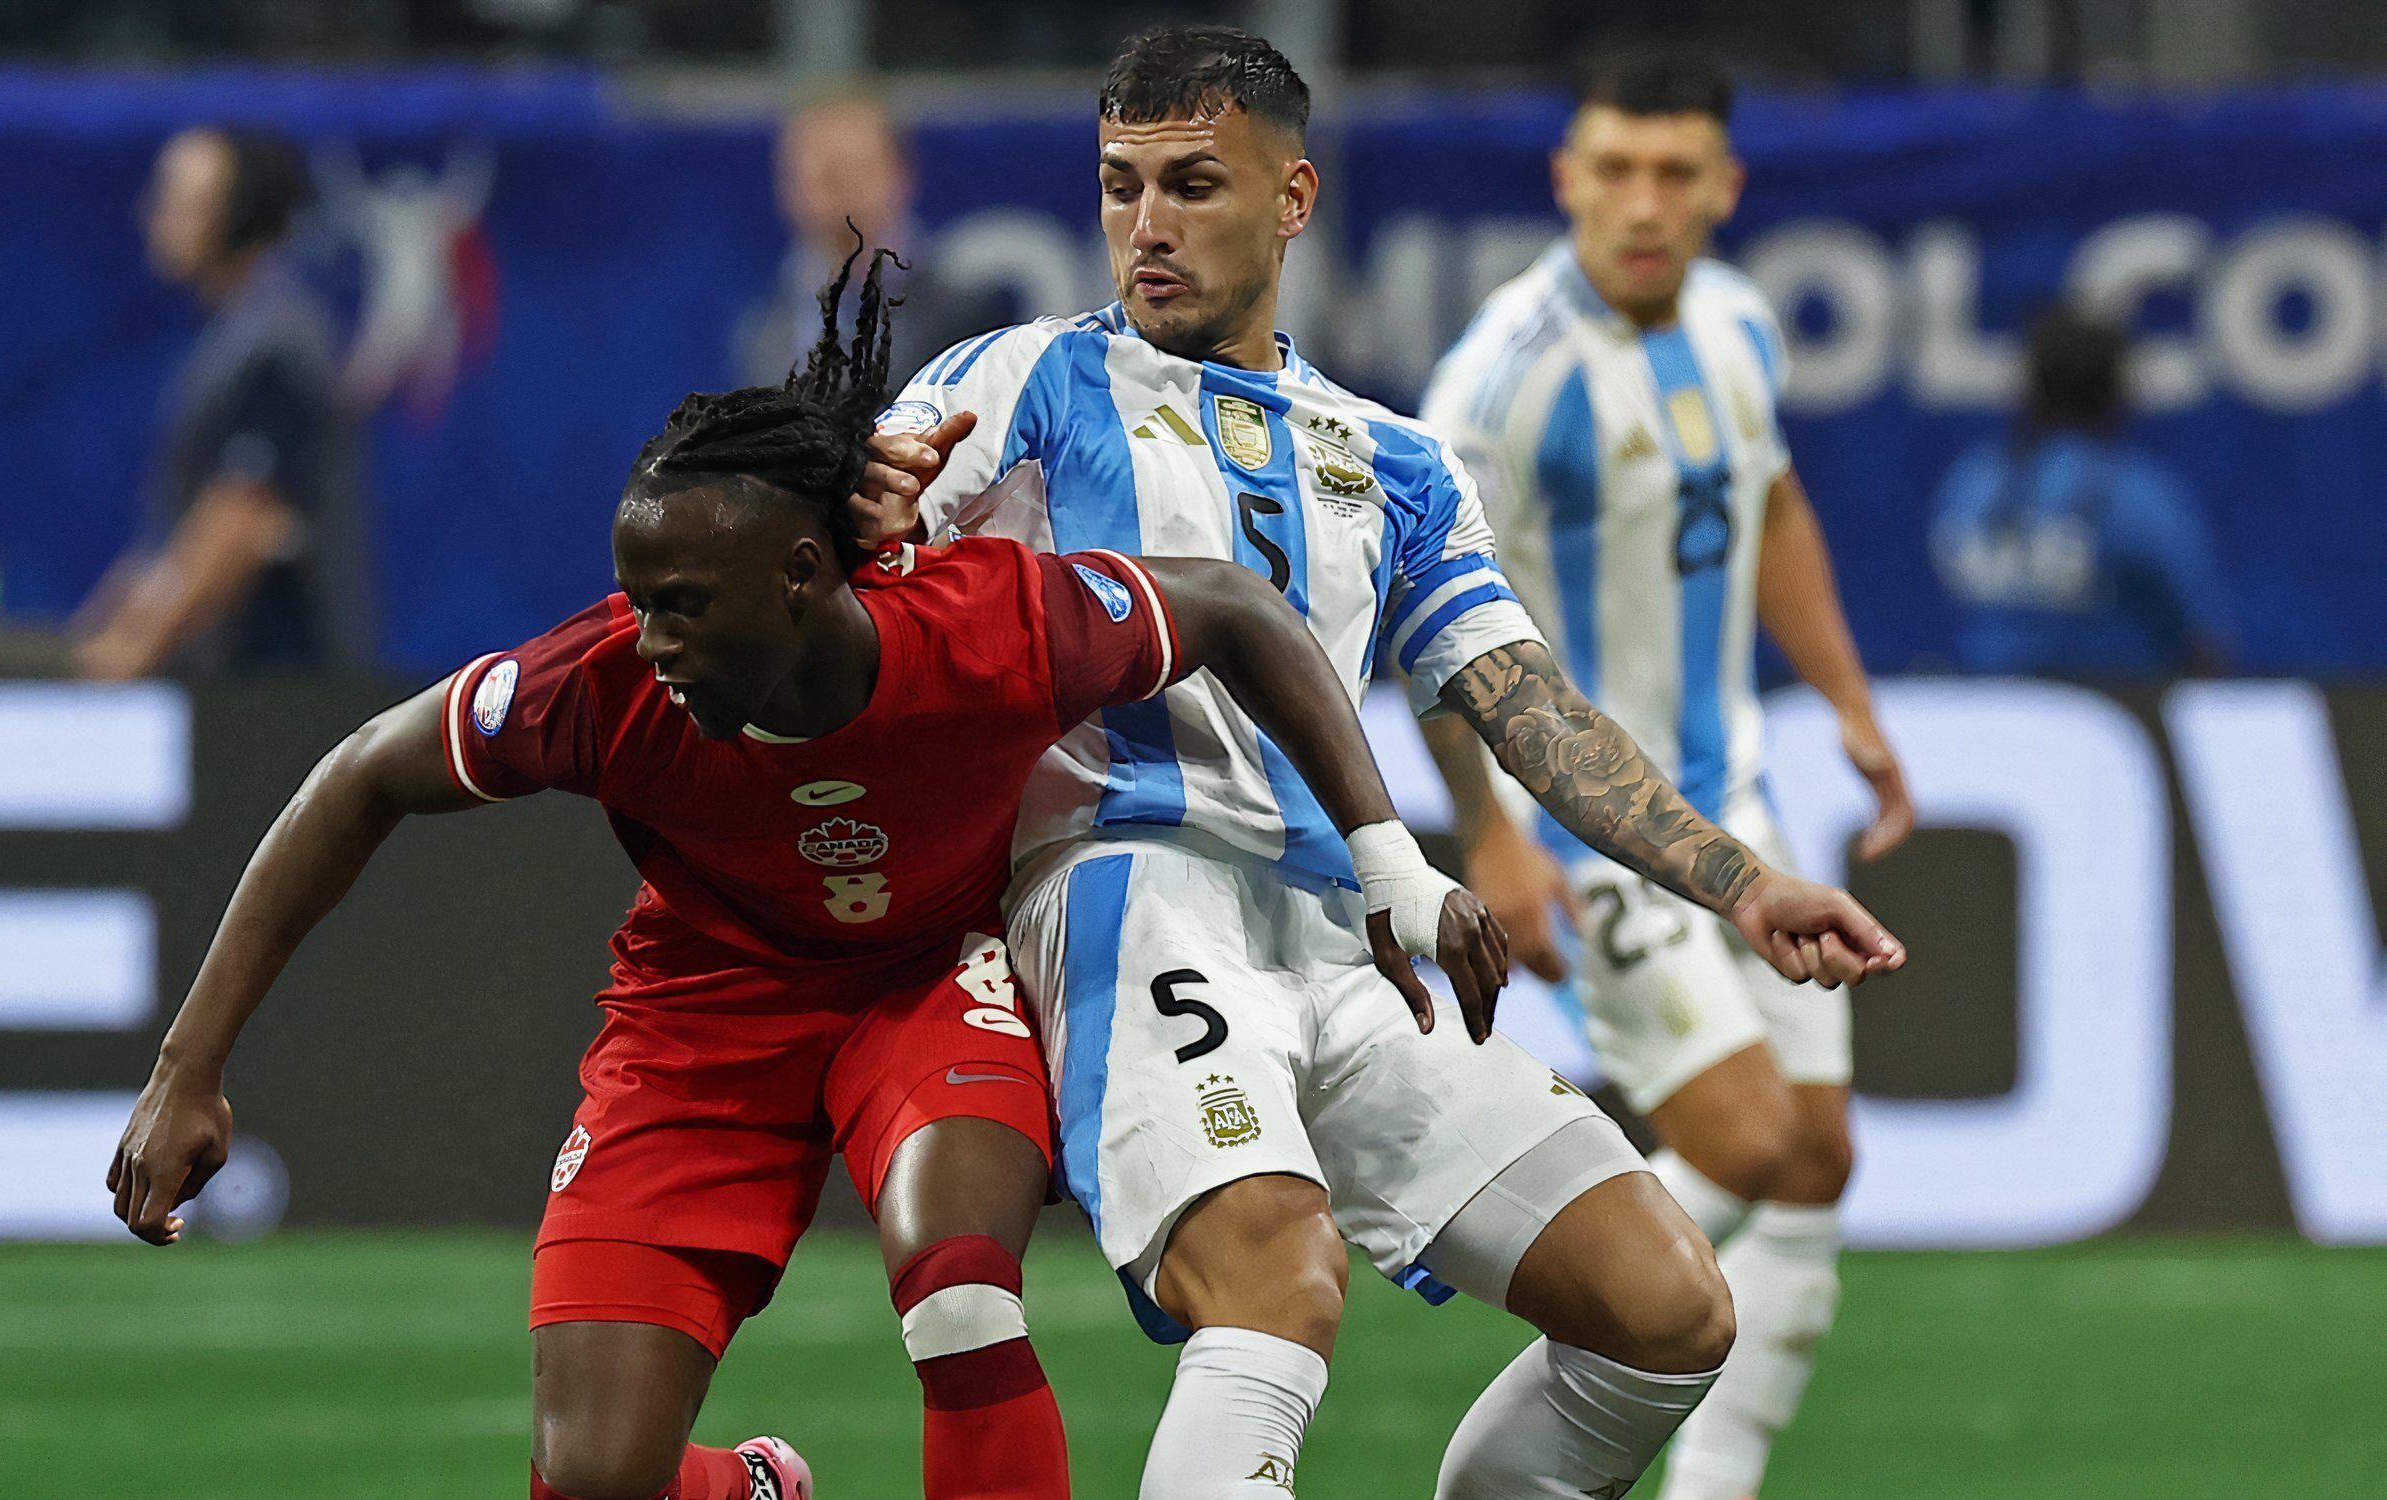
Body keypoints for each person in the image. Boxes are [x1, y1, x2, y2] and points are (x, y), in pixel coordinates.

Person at [107, 253, 1502, 1500]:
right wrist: (189, 1065)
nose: (647, 640)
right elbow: (358, 774)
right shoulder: (597, 685)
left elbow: (1239, 610)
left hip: (927, 985)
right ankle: (756, 1487)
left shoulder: (982, 629)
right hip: (704, 1014)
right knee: (595, 1479)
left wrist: (1389, 859)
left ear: (797, 577)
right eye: (639, 601)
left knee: (960, 1299)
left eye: (683, 609)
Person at [857, 25, 1904, 1500]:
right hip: (1133, 893)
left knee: (1668, 1313)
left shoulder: (1393, 457)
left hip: (1353, 938)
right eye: (1120, 186)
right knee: (1279, 1281)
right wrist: (855, 503)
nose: (1146, 227)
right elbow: (859, 519)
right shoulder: (1024, 383)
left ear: (1293, 201)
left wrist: (1734, 884)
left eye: (1193, 187)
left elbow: (1522, 696)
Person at [1415, 49, 1918, 1500]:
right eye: (1614, 170)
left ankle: (1715, 1486)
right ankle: (1582, 1309)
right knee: (1749, 1141)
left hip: (1739, 801)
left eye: (1674, 173)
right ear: (1567, 179)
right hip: (1600, 827)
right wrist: (1494, 838)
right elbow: (1424, 616)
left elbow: (1770, 499)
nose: (1643, 203)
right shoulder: (1501, 381)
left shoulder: (1742, 326)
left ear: (1723, 188)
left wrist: (1850, 701)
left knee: (1818, 1158)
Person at [75, 125, 369, 679]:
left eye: (176, 202)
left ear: (237, 217)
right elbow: (183, 543)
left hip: (278, 688)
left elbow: (241, 515)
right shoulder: (232, 335)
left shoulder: (277, 344)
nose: (150, 216)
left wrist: (129, 655)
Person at [1931, 303, 2234, 676]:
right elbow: (2200, 639)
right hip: (2118, 715)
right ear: (2115, 390)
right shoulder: (2135, 495)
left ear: (2029, 386)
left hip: (1986, 714)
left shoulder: (1969, 483)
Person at [736, 91, 1007, 388]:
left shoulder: (965, 314)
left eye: (855, 168)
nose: (841, 191)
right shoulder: (765, 329)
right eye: (825, 175)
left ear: (901, 175)